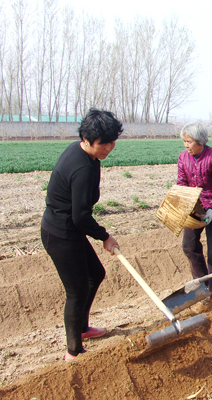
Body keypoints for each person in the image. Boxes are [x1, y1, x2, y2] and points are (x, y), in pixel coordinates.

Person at [40, 108, 122, 361]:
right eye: (103, 143)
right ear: (87, 140)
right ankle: (73, 351)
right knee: (75, 291)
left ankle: (83, 329)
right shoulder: (82, 169)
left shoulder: (84, 154)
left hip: (70, 230)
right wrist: (105, 236)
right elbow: (80, 217)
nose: (109, 147)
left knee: (95, 274)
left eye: (112, 141)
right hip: (61, 233)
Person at [177, 121, 212, 299]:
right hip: (195, 207)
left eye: (190, 141)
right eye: (184, 141)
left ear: (201, 141)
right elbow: (182, 183)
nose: (186, 145)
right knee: (189, 246)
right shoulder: (183, 157)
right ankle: (202, 283)